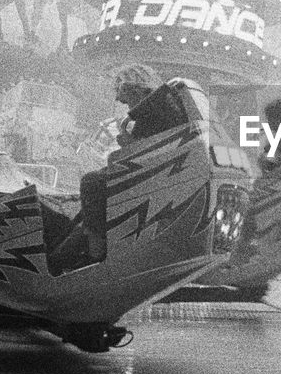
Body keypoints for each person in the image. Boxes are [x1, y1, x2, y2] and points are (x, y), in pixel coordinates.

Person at [53, 64, 190, 270]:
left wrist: (127, 143)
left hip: (155, 174)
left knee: (91, 182)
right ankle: (68, 256)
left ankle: (95, 253)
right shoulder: (160, 104)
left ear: (131, 86)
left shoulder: (153, 108)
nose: (118, 98)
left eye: (119, 89)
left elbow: (147, 149)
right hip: (161, 170)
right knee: (87, 211)